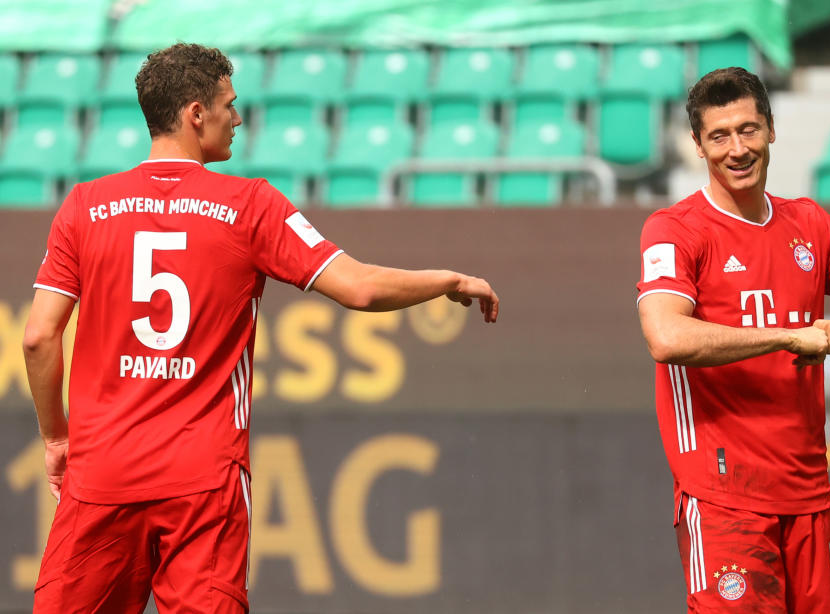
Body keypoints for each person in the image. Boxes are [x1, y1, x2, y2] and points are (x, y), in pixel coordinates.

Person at [22, 43, 499, 614]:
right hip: (203, 481)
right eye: (231, 102)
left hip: (100, 476)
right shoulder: (250, 204)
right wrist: (446, 279)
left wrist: (56, 438)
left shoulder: (84, 206)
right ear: (197, 113)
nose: (239, 117)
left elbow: (39, 337)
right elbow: (359, 288)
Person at [635, 67, 830, 613]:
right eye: (719, 136)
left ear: (771, 129)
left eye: (749, 129)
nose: (737, 149)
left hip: (808, 496)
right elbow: (666, 336)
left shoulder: (812, 225)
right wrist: (785, 337)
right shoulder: (674, 229)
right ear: (697, 146)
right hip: (724, 499)